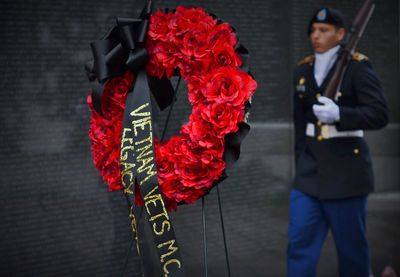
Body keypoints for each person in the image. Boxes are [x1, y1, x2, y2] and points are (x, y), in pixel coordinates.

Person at [287, 7, 389, 277]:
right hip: (308, 175)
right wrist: (300, 163)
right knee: (299, 248)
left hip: (346, 175)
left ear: (341, 33)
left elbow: (379, 115)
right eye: (313, 30)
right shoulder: (302, 69)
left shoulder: (357, 67)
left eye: (324, 30)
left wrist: (341, 114)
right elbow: (300, 126)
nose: (315, 36)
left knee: (352, 253)